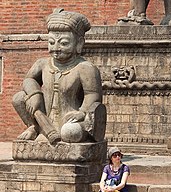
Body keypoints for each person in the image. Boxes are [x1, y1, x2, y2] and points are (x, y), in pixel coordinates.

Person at [12, 8, 105, 145]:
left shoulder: (85, 68)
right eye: (51, 42)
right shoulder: (43, 64)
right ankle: (34, 127)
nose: (55, 48)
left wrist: (82, 112)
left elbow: (93, 95)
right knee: (19, 98)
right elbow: (28, 79)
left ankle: (55, 134)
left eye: (64, 43)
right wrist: (35, 94)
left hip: (72, 118)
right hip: (45, 117)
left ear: (79, 43)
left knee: (69, 132)